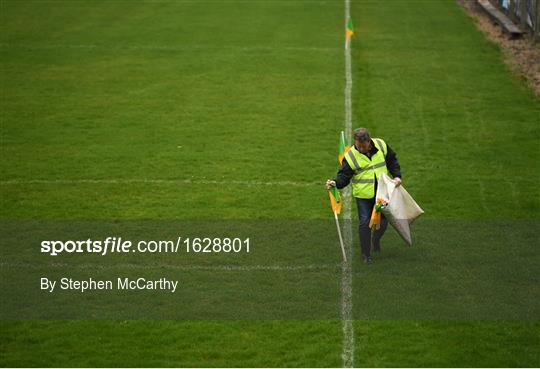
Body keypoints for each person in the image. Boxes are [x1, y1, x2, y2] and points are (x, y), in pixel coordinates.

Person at [326, 128, 402, 264]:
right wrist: (335, 183)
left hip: (382, 192)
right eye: (358, 146)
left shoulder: (381, 145)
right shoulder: (350, 156)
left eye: (363, 146)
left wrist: (397, 176)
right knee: (365, 223)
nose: (360, 149)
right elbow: (344, 176)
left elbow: (392, 160)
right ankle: (366, 254)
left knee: (384, 222)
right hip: (363, 196)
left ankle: (376, 240)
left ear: (369, 141)